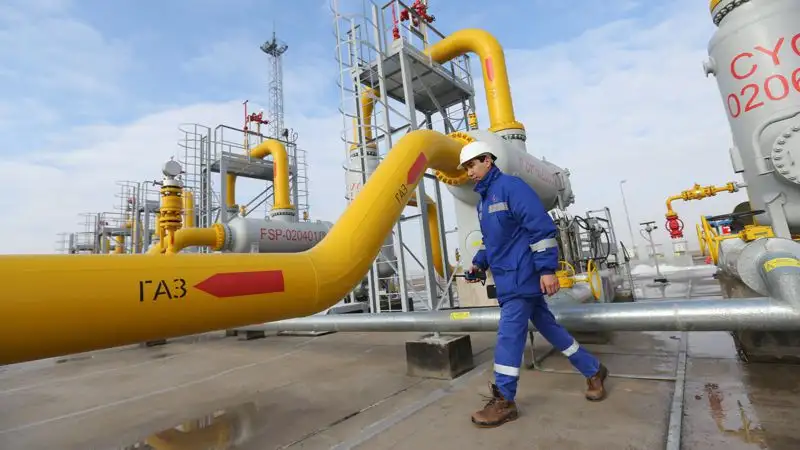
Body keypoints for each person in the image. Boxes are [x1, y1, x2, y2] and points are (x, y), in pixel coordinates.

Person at [458, 141, 608, 428]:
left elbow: (540, 228)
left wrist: (547, 269)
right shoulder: (484, 202)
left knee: (509, 336)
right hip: (507, 278)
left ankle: (504, 399)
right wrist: (479, 263)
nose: (469, 172)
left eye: (472, 165)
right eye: (466, 168)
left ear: (487, 160)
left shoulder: (512, 187)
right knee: (550, 328)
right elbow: (492, 242)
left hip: (522, 276)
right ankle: (593, 369)